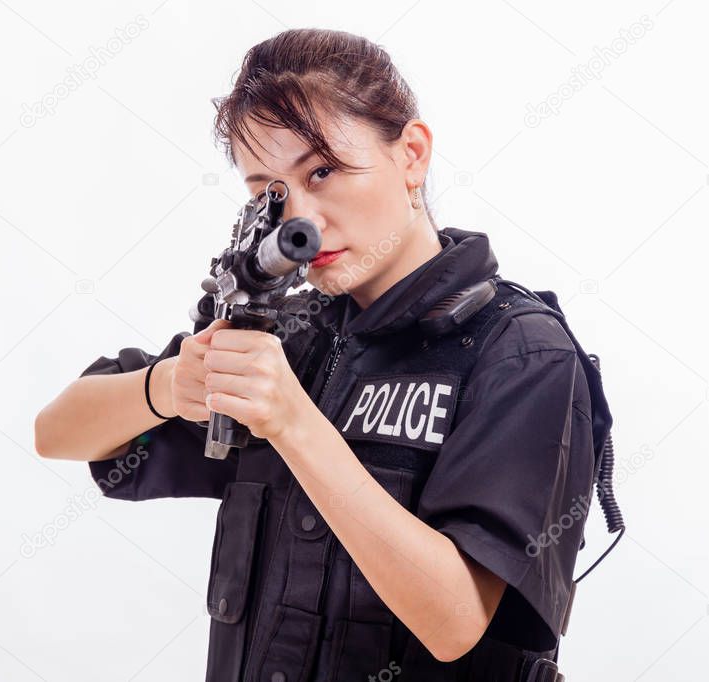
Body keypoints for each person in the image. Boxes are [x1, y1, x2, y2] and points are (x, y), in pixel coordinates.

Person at [35, 28, 613, 682]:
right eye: (268, 192)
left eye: (323, 171)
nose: (298, 218)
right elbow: (56, 432)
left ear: (411, 155)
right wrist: (169, 386)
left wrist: (293, 424)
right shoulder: (288, 336)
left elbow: (455, 623)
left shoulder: (520, 353)